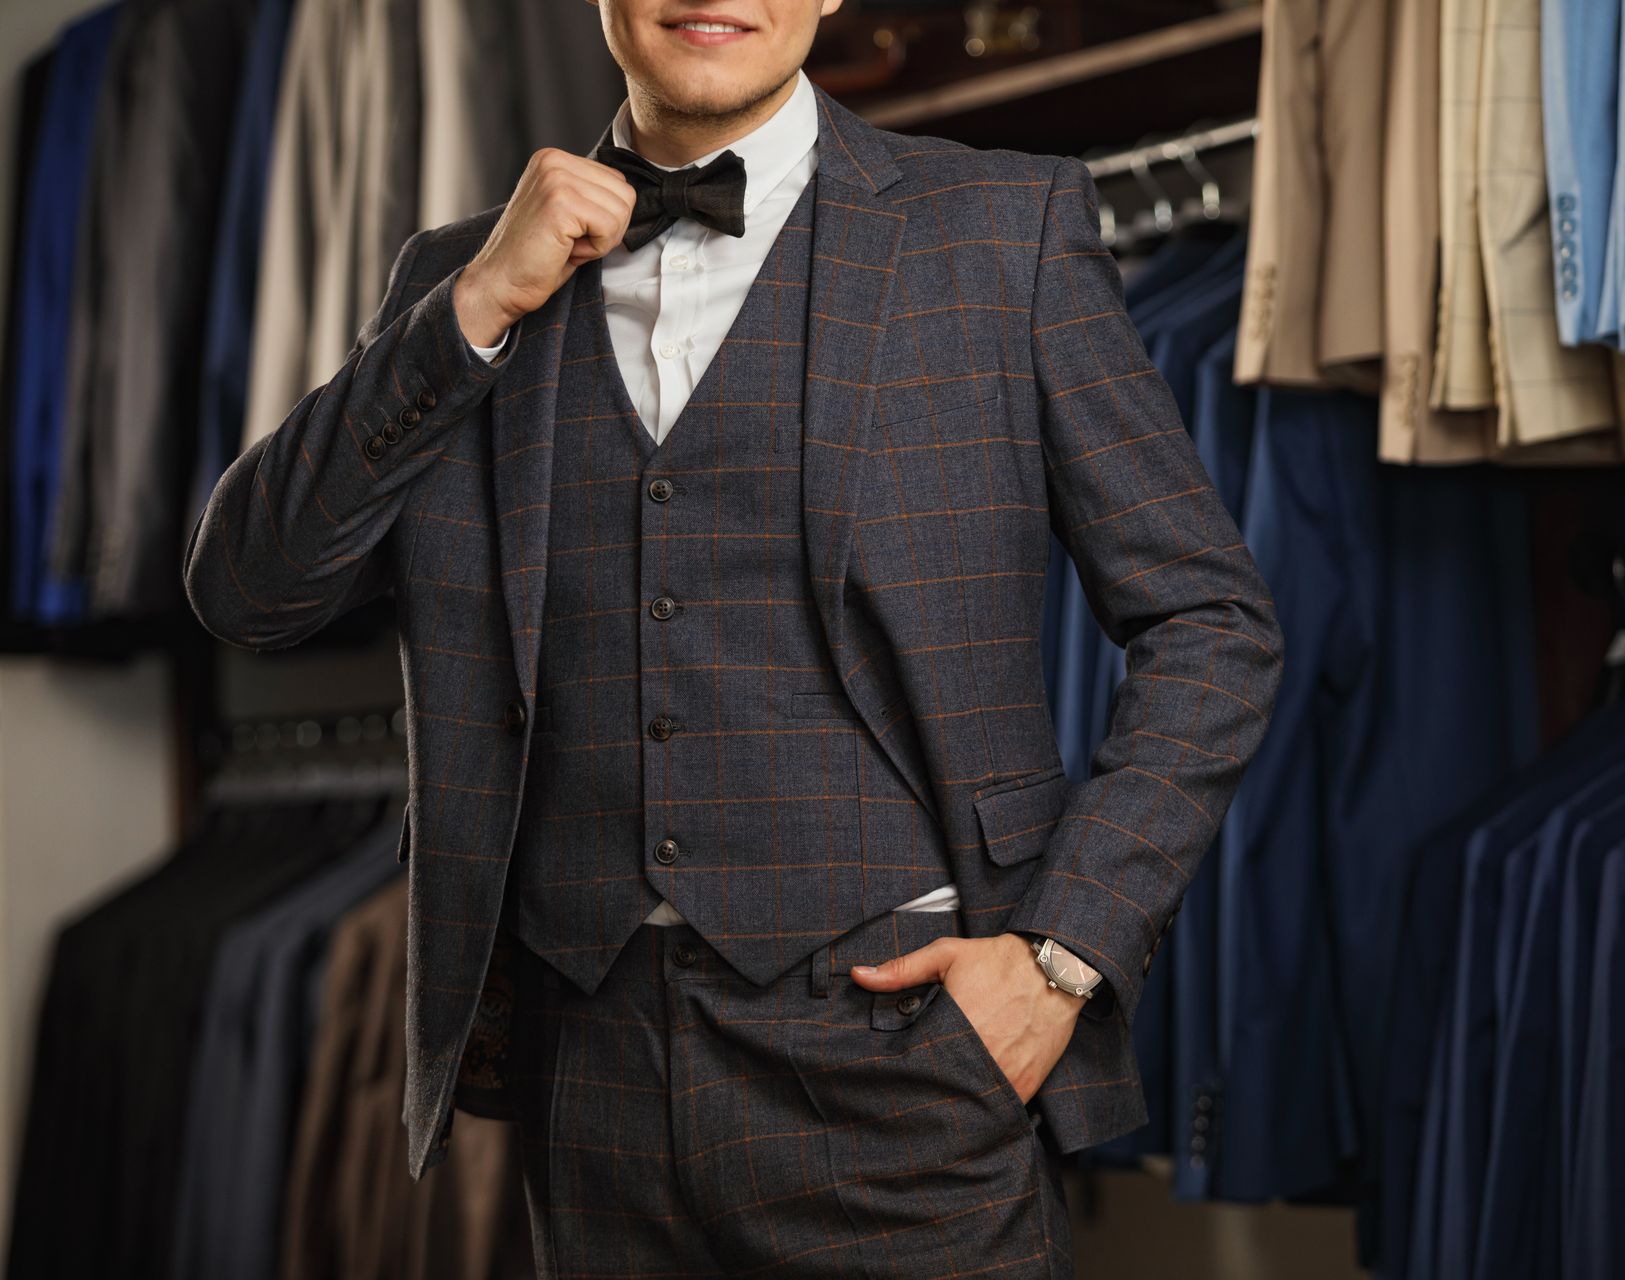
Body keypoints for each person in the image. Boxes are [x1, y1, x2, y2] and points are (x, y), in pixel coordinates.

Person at [183, 1, 1283, 1274]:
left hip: (906, 1063)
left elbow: (1211, 621)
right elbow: (249, 592)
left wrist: (1063, 952)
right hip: (586, 1075)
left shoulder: (1001, 229)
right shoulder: (458, 275)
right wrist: (474, 306)